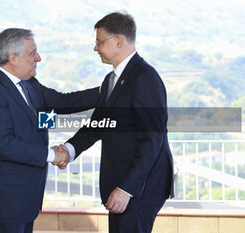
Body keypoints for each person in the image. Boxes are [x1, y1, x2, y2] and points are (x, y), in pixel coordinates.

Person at [0, 28, 99, 233]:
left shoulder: (28, 83)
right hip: (1, 205)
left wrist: (110, 89)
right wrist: (52, 154)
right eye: (32, 53)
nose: (38, 58)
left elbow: (64, 101)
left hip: (22, 202)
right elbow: (5, 144)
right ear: (13, 58)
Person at [56, 12, 174, 233]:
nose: (95, 48)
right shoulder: (112, 79)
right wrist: (69, 150)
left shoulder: (144, 79)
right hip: (122, 183)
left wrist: (127, 188)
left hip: (140, 187)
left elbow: (152, 140)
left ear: (119, 41)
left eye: (100, 42)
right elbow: (98, 125)